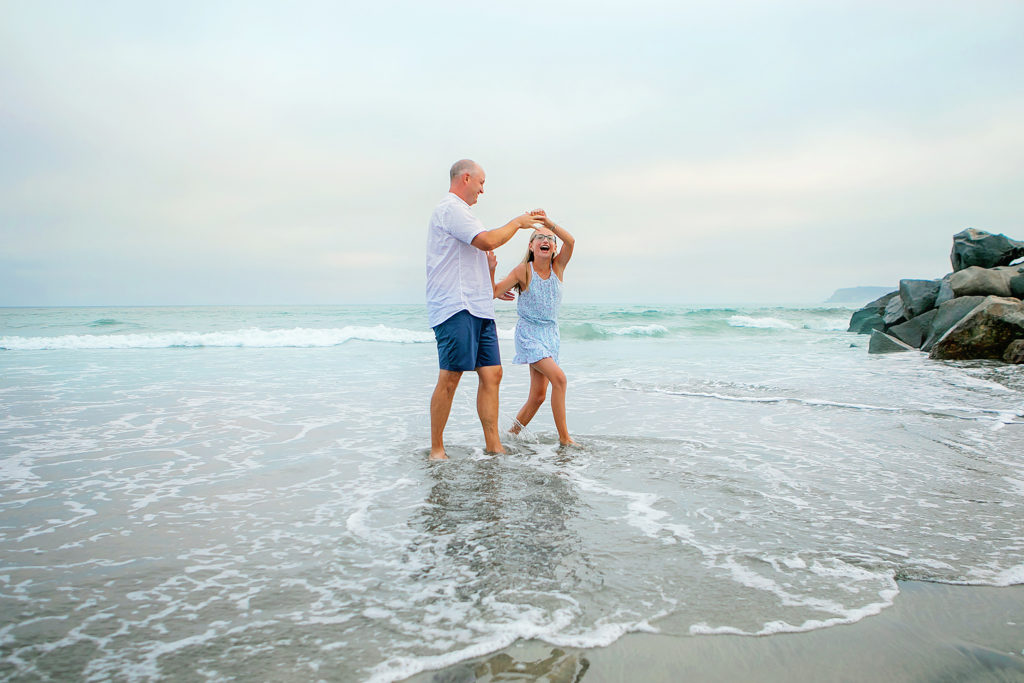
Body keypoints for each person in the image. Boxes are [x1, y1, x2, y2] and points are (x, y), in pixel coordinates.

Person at [426, 159, 539, 460]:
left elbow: (476, 255)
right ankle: (437, 449)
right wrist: (518, 223)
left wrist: (489, 277)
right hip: (455, 306)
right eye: (481, 183)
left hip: (478, 307)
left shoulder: (465, 214)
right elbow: (487, 240)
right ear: (466, 178)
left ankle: (494, 446)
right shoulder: (450, 208)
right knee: (451, 376)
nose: (483, 190)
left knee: (492, 374)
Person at [493, 216, 576, 446]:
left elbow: (571, 241)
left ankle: (511, 435)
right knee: (559, 379)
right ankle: (565, 439)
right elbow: (492, 291)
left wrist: (549, 223)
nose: (545, 239)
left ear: (554, 248)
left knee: (538, 396)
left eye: (549, 238)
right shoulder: (523, 271)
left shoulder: (557, 267)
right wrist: (494, 278)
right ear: (531, 246)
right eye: (539, 237)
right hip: (529, 334)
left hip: (551, 335)